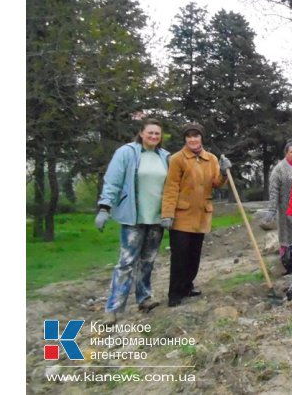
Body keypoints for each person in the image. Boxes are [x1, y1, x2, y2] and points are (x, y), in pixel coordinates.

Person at [95, 119, 171, 325]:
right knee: (126, 263)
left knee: (148, 261)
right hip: (133, 217)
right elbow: (113, 180)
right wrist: (105, 207)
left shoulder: (164, 157)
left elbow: (172, 187)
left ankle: (144, 298)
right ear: (141, 133)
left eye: (157, 134)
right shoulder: (126, 153)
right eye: (150, 133)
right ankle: (113, 308)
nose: (154, 137)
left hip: (156, 218)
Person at [161, 123, 232, 307]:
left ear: (201, 138)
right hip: (182, 215)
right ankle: (174, 293)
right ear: (185, 139)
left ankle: (187, 286)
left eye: (196, 136)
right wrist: (167, 213)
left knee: (194, 254)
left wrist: (224, 172)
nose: (193, 139)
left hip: (201, 215)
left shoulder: (211, 159)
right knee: (180, 256)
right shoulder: (177, 159)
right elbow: (171, 187)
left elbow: (217, 183)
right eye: (189, 136)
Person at [265, 140, 292, 253]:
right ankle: (286, 261)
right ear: (286, 153)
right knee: (287, 238)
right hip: (285, 209)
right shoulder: (279, 169)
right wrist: (272, 210)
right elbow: (273, 191)